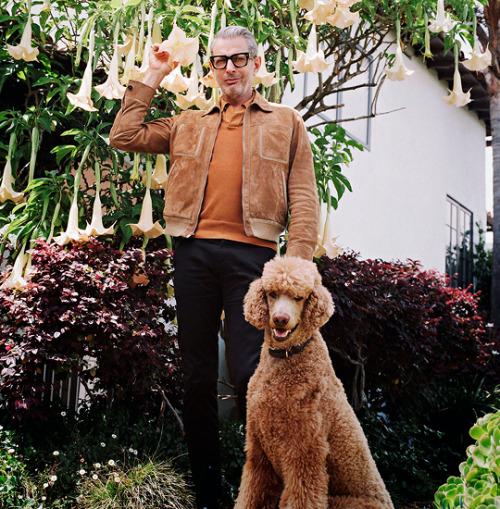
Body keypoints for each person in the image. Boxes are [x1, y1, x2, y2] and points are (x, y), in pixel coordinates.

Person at [110, 25, 319, 509]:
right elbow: (124, 135)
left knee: (252, 373)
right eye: (220, 61)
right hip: (194, 254)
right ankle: (208, 494)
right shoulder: (188, 122)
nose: (229, 68)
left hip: (255, 257)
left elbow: (304, 198)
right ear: (211, 69)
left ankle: (263, 489)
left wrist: (298, 267)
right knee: (197, 375)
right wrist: (154, 74)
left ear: (257, 64)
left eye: (239, 59)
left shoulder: (286, 122)